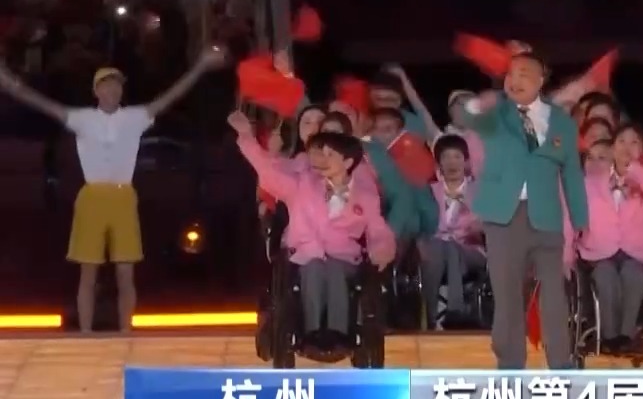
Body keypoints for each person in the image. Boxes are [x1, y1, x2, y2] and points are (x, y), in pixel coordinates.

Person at [0, 48, 225, 332]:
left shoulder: (135, 117)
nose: (113, 90)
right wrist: (11, 85)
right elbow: (43, 104)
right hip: (92, 197)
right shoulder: (82, 118)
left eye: (117, 85)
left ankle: (125, 332)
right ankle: (85, 333)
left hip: (123, 196)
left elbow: (170, 97)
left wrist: (200, 67)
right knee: (88, 271)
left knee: (125, 272)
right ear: (96, 91)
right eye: (106, 85)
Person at [457, 51, 591, 369]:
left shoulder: (561, 122)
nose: (515, 80)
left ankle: (561, 365)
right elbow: (467, 119)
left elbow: (572, 173)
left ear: (541, 81)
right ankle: (510, 366)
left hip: (546, 217)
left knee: (554, 296)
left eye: (524, 74)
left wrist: (581, 218)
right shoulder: (497, 115)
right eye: (511, 74)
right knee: (508, 296)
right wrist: (477, 105)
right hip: (504, 216)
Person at [231, 113, 396, 349]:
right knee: (315, 268)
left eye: (330, 155)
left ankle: (339, 333)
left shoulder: (365, 194)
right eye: (320, 153)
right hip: (305, 255)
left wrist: (381, 249)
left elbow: (378, 229)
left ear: (347, 162)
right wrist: (246, 136)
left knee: (336, 269)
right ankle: (314, 331)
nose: (321, 160)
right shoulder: (301, 184)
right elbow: (267, 171)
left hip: (344, 258)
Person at [573, 125, 643, 353]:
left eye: (634, 142)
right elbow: (574, 217)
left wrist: (634, 169)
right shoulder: (592, 183)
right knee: (605, 276)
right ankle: (609, 336)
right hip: (599, 251)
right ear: (612, 147)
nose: (627, 147)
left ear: (642, 150)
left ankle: (627, 335)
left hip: (637, 252)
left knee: (632, 274)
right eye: (621, 142)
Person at [420, 135, 485, 328]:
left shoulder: (479, 191)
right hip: (437, 251)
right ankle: (436, 315)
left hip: (471, 251)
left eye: (457, 157)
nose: (451, 163)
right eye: (446, 157)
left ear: (466, 162)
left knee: (451, 248)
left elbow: (487, 224)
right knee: (440, 249)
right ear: (438, 163)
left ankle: (449, 312)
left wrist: (468, 207)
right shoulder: (430, 191)